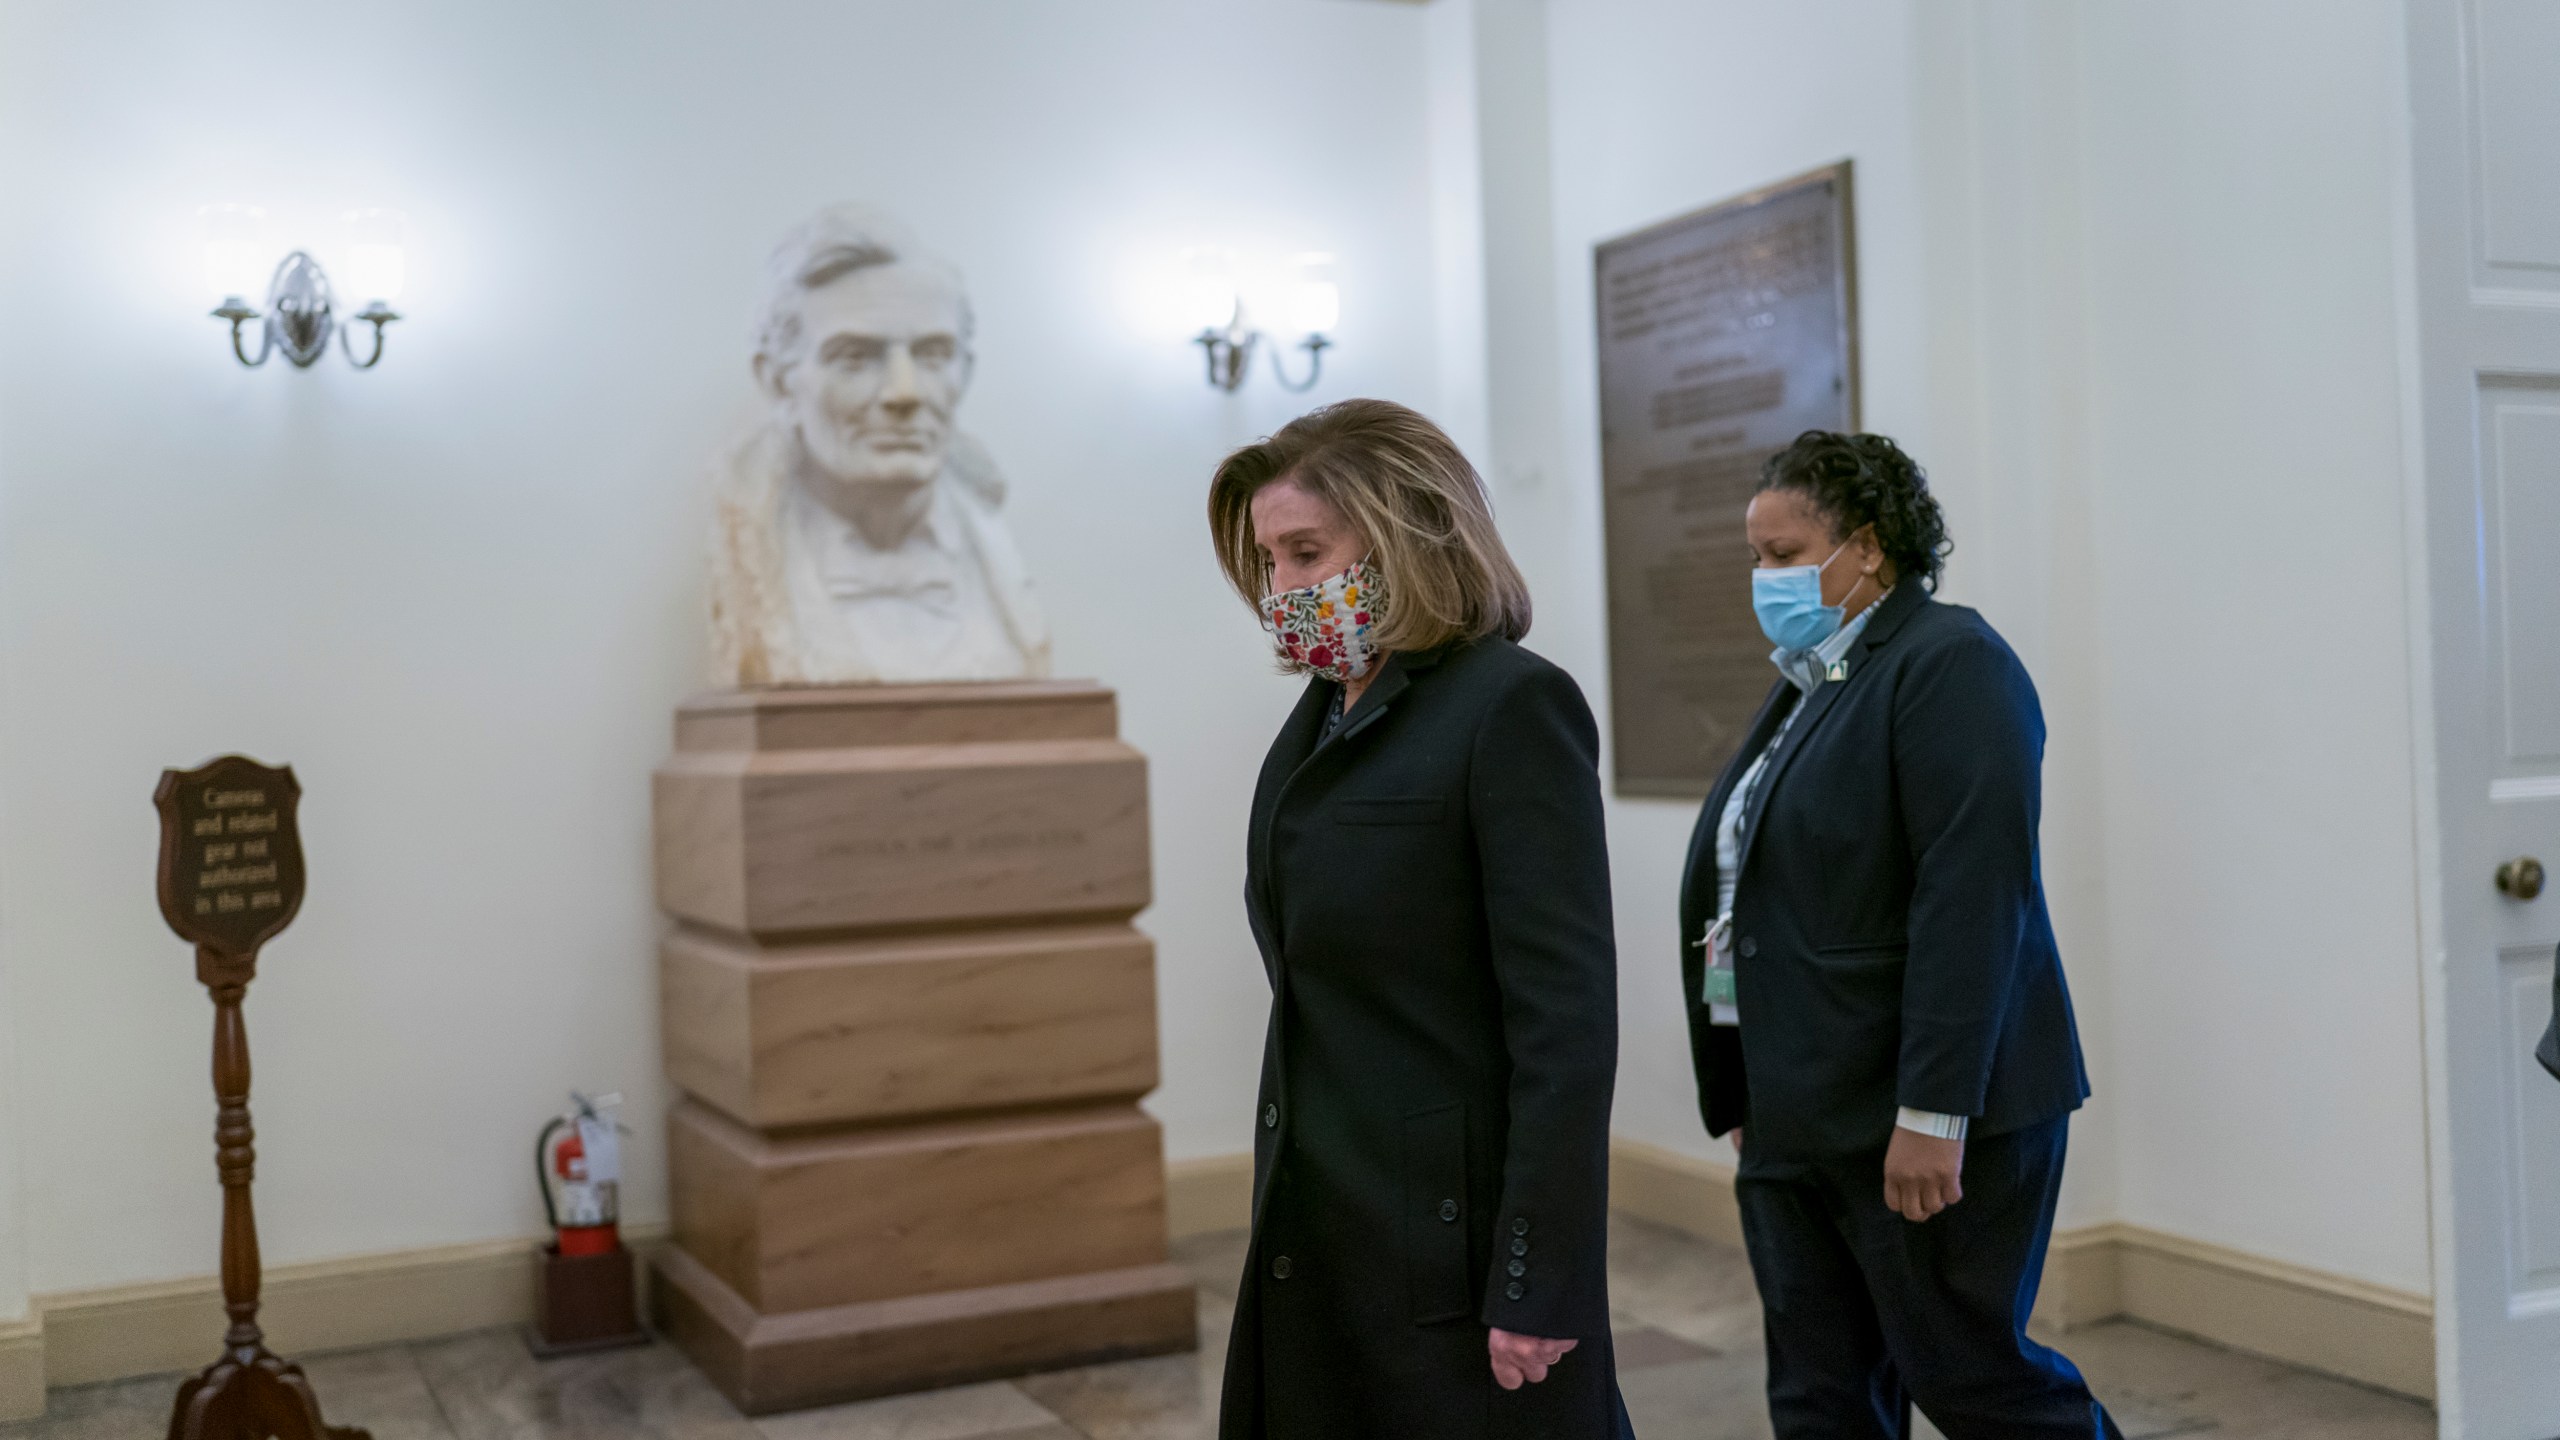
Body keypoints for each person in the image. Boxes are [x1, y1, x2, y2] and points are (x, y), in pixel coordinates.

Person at [1678, 431, 2119, 1438]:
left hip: (1913, 1109)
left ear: (1867, 547)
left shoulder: (1949, 661)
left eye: (1783, 554)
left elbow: (1971, 898)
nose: (1763, 578)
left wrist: (1933, 1111)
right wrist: (1745, 1071)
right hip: (1801, 1108)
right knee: (1821, 1394)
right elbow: (1745, 898)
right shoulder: (1809, 685)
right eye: (1754, 557)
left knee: (1974, 1380)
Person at [1207, 399, 1632, 1439]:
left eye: (1307, 551)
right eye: (1269, 561)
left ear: (1400, 534)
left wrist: (1539, 1278)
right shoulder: (1319, 717)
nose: (1283, 587)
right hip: (1321, 1213)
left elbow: (1564, 1025)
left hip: (1453, 1237)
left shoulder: (1509, 706)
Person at [709, 202, 1049, 684]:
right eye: (856, 357)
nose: (904, 393)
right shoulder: (749, 533)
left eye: (932, 355)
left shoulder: (991, 539)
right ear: (778, 381)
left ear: (966, 372)